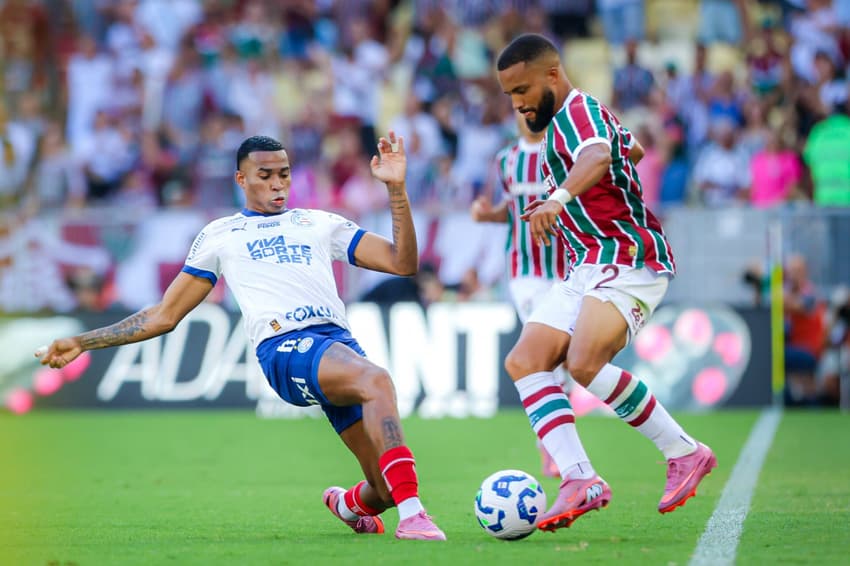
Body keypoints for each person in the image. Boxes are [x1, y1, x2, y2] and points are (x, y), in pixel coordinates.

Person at [36, 133, 446, 541]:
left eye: (283, 174)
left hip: (336, 347)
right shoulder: (222, 235)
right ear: (241, 179)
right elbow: (164, 315)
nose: (277, 184)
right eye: (264, 175)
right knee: (376, 380)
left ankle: (349, 503)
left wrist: (396, 189)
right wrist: (83, 341)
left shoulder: (319, 223)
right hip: (283, 348)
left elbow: (402, 261)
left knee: (387, 486)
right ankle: (414, 517)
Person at [495, 34, 716, 532]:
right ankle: (578, 479)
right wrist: (606, 184)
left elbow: (597, 157)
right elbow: (628, 149)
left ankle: (684, 452)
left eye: (523, 89)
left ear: (552, 75)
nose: (518, 103)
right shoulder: (573, 119)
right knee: (526, 360)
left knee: (585, 362)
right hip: (587, 262)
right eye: (510, 95)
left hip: (627, 255)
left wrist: (559, 198)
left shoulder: (575, 113)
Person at [470, 112, 569, 479]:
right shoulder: (505, 160)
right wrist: (486, 216)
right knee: (548, 355)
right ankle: (553, 449)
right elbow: (511, 212)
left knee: (565, 364)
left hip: (566, 270)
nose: (523, 112)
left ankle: (555, 444)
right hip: (525, 273)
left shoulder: (561, 154)